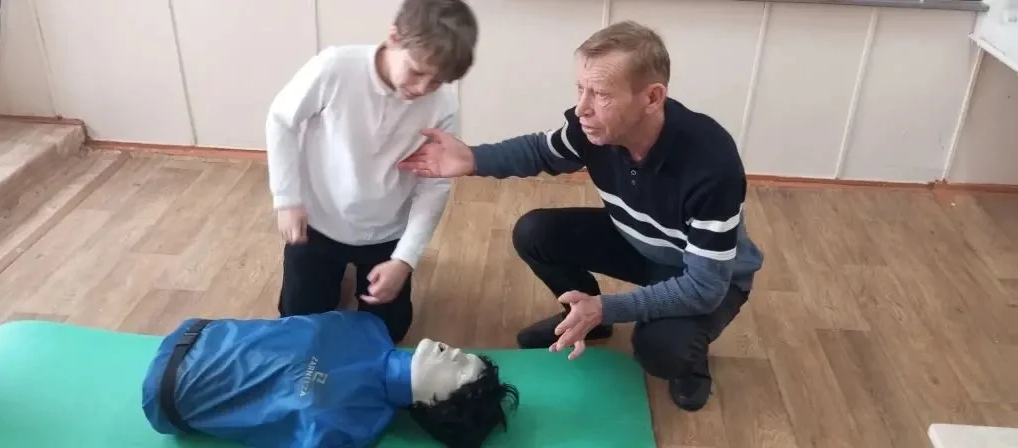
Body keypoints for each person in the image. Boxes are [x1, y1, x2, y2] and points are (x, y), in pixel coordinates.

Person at [397, 20, 764, 412]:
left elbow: (704, 287)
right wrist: (472, 158)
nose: (582, 108)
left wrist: (609, 304)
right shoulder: (593, 129)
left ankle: (689, 358)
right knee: (535, 232)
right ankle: (585, 317)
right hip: (639, 243)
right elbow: (539, 151)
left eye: (600, 94)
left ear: (652, 97)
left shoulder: (711, 164)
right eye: (580, 89)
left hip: (706, 274)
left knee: (660, 350)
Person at [264, 0, 478, 344]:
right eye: (416, 72)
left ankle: (354, 277)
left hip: (385, 232)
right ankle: (337, 278)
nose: (422, 88)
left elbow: (434, 187)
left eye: (437, 82)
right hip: (319, 223)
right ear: (393, 38)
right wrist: (287, 199)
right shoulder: (335, 67)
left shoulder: (444, 105)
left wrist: (404, 260)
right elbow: (281, 120)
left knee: (389, 332)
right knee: (297, 323)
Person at [141, 310, 520, 448]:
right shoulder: (369, 326)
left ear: (437, 404)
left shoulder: (347, 426)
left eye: (461, 368)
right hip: (196, 332)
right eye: (465, 354)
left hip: (166, 391)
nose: (455, 351)